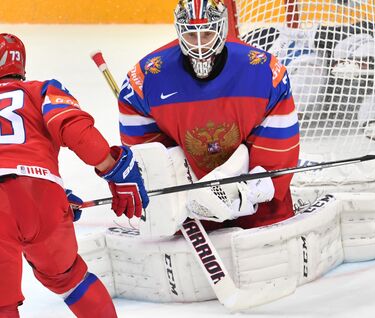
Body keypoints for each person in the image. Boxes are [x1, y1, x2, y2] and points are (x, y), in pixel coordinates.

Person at [0, 33, 149, 317]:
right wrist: (114, 170)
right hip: (43, 197)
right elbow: (76, 131)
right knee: (69, 279)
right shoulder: (41, 90)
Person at [117, 0, 299, 230]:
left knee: (271, 249)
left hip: (253, 192)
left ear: (222, 28)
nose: (200, 45)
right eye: (192, 36)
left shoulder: (262, 69)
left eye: (208, 33)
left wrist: (261, 184)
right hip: (190, 197)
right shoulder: (147, 76)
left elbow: (278, 134)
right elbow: (145, 145)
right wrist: (166, 181)